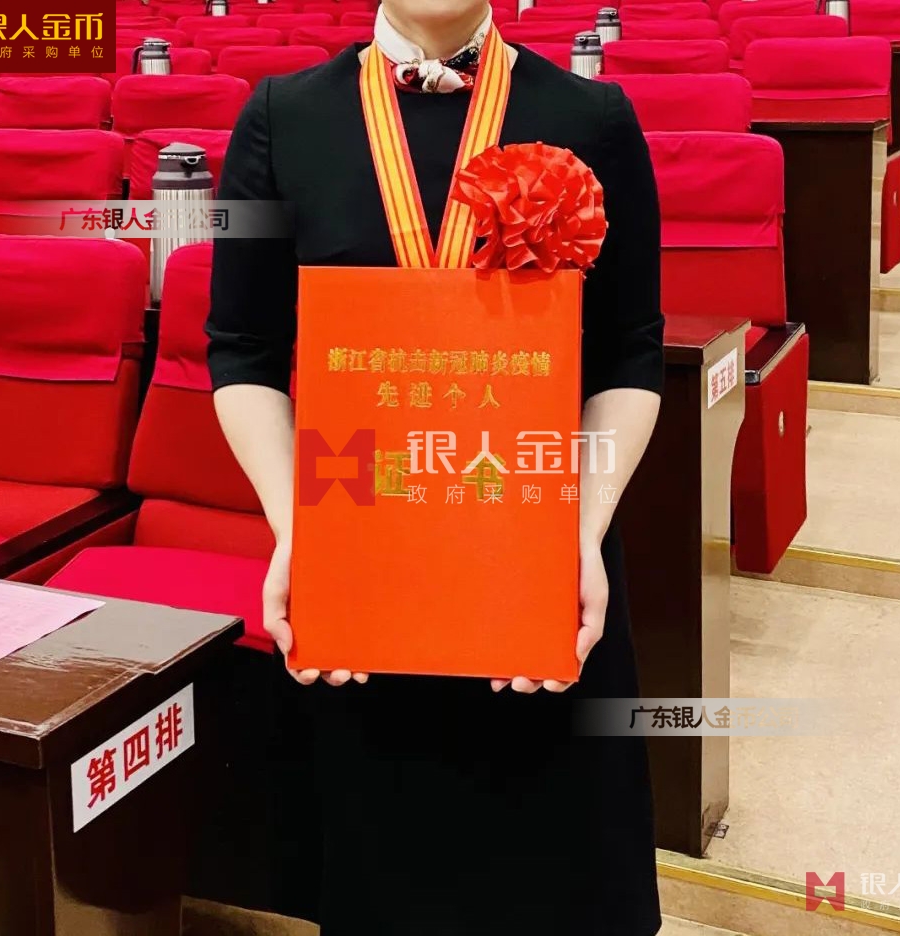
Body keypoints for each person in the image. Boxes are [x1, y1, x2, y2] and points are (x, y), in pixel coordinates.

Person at [206, 2, 665, 933]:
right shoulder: (279, 117)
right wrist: (304, 530)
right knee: (388, 885)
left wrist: (577, 533)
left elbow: (631, 355)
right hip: (365, 575)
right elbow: (242, 351)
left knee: (564, 889)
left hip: (539, 564)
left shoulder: (595, 117)